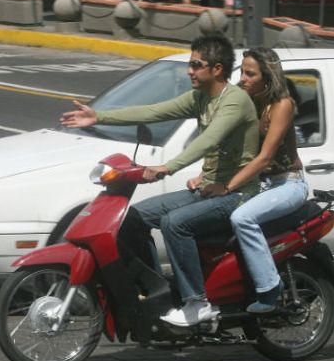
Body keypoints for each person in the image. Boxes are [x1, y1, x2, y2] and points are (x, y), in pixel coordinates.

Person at [60, 34, 259, 327]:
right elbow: (154, 111)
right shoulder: (201, 98)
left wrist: (167, 167)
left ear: (217, 69)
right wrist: (99, 116)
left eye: (196, 65)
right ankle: (159, 293)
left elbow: (208, 140)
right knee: (133, 217)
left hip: (237, 193)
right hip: (208, 190)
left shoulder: (234, 101)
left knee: (175, 223)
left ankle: (197, 302)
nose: (189, 71)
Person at [202, 48, 308, 313]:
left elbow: (264, 157)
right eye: (241, 72)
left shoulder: (282, 105)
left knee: (242, 218)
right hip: (260, 185)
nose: (243, 78)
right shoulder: (246, 101)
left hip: (287, 184)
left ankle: (270, 287)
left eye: (250, 74)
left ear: (267, 78)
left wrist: (227, 186)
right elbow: (226, 145)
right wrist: (203, 177)